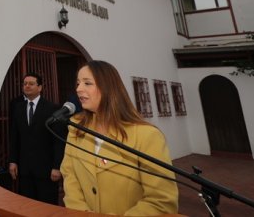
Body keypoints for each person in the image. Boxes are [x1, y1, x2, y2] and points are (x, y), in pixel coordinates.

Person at [60, 60, 179, 215]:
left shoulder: (146, 135)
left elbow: (162, 200)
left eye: (87, 83)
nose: (79, 89)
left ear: (108, 88)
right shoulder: (76, 128)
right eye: (78, 83)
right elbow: (70, 176)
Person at [8, 72, 66, 204]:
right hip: (24, 169)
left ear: (40, 87)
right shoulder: (18, 108)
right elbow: (14, 136)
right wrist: (12, 161)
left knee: (47, 206)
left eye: (31, 84)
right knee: (27, 206)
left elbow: (58, 141)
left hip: (46, 170)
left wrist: (57, 166)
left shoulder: (52, 109)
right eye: (25, 84)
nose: (27, 86)